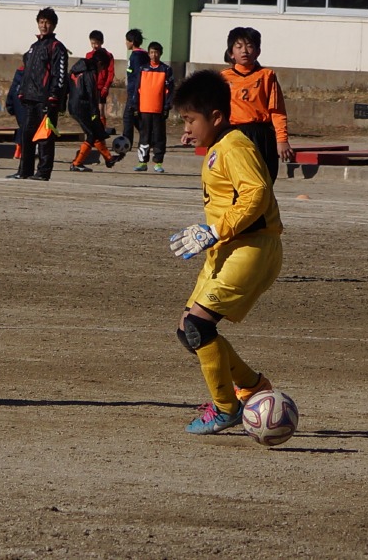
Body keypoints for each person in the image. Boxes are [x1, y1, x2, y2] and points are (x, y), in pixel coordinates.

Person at [167, 68, 282, 436]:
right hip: (226, 249)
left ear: (216, 117)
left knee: (199, 327)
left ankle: (226, 408)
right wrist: (211, 234)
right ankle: (252, 386)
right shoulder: (219, 147)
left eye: (190, 120)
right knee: (187, 330)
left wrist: (214, 230)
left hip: (251, 247)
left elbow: (257, 193)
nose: (186, 128)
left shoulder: (235, 146)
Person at [220, 27, 293, 181]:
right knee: (237, 179)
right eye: (239, 47)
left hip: (261, 135)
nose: (244, 51)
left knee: (264, 179)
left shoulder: (267, 75)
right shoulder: (223, 78)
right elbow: (214, 111)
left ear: (258, 51)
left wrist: (282, 140)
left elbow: (277, 110)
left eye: (249, 46)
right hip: (234, 133)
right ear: (231, 53)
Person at [8, 7, 68, 181]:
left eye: (47, 22)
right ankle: (24, 171)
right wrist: (22, 91)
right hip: (30, 99)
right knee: (26, 135)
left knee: (45, 137)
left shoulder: (57, 47)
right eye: (41, 22)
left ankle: (43, 172)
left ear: (54, 25)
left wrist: (54, 96)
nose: (44, 26)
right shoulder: (33, 47)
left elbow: (60, 74)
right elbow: (27, 72)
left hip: (46, 100)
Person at [67, 51, 121, 172]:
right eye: (103, 67)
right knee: (91, 134)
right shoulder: (90, 72)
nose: (102, 70)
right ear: (100, 63)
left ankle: (109, 158)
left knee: (96, 131)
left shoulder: (77, 68)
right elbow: (91, 93)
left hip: (74, 105)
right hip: (82, 106)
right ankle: (76, 163)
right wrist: (94, 113)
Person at [134, 41, 173, 173]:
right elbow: (137, 88)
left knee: (159, 136)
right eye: (151, 52)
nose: (154, 55)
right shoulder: (142, 69)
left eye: (156, 52)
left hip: (158, 109)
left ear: (160, 54)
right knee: (144, 136)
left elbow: (169, 90)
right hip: (144, 108)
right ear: (148, 54)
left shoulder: (166, 69)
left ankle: (158, 162)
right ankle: (142, 162)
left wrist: (167, 106)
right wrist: (135, 105)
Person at [122, 28, 150, 153]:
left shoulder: (137, 56)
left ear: (132, 42)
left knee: (128, 117)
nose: (125, 43)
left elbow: (138, 76)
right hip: (134, 91)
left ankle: (126, 142)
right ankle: (148, 138)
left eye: (127, 40)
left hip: (135, 92)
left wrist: (134, 94)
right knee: (136, 118)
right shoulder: (139, 55)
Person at [86, 30, 116, 125]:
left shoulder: (108, 55)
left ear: (102, 42)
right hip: (91, 86)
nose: (94, 46)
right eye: (92, 43)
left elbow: (111, 72)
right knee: (91, 110)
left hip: (101, 87)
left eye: (97, 43)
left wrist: (106, 86)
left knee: (101, 109)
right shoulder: (89, 55)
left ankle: (102, 129)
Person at [5, 57, 27, 160]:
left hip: (17, 100)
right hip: (26, 101)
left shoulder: (19, 73)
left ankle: (18, 151)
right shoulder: (35, 72)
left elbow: (12, 89)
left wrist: (10, 105)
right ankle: (21, 150)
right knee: (27, 126)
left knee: (23, 125)